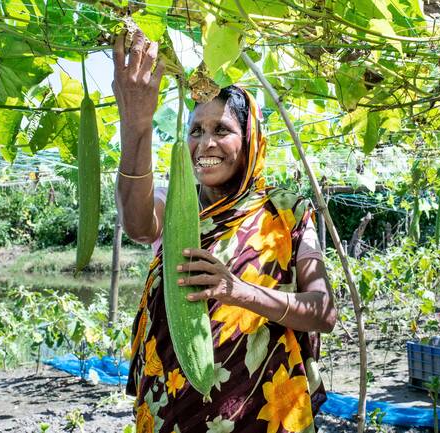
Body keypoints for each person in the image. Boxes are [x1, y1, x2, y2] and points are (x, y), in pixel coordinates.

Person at [112, 28, 337, 433]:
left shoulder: (286, 212)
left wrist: (237, 290)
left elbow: (323, 313)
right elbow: (138, 224)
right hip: (173, 406)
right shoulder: (176, 201)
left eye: (222, 130)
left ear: (250, 139)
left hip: (260, 408)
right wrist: (136, 124)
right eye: (195, 131)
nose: (205, 143)